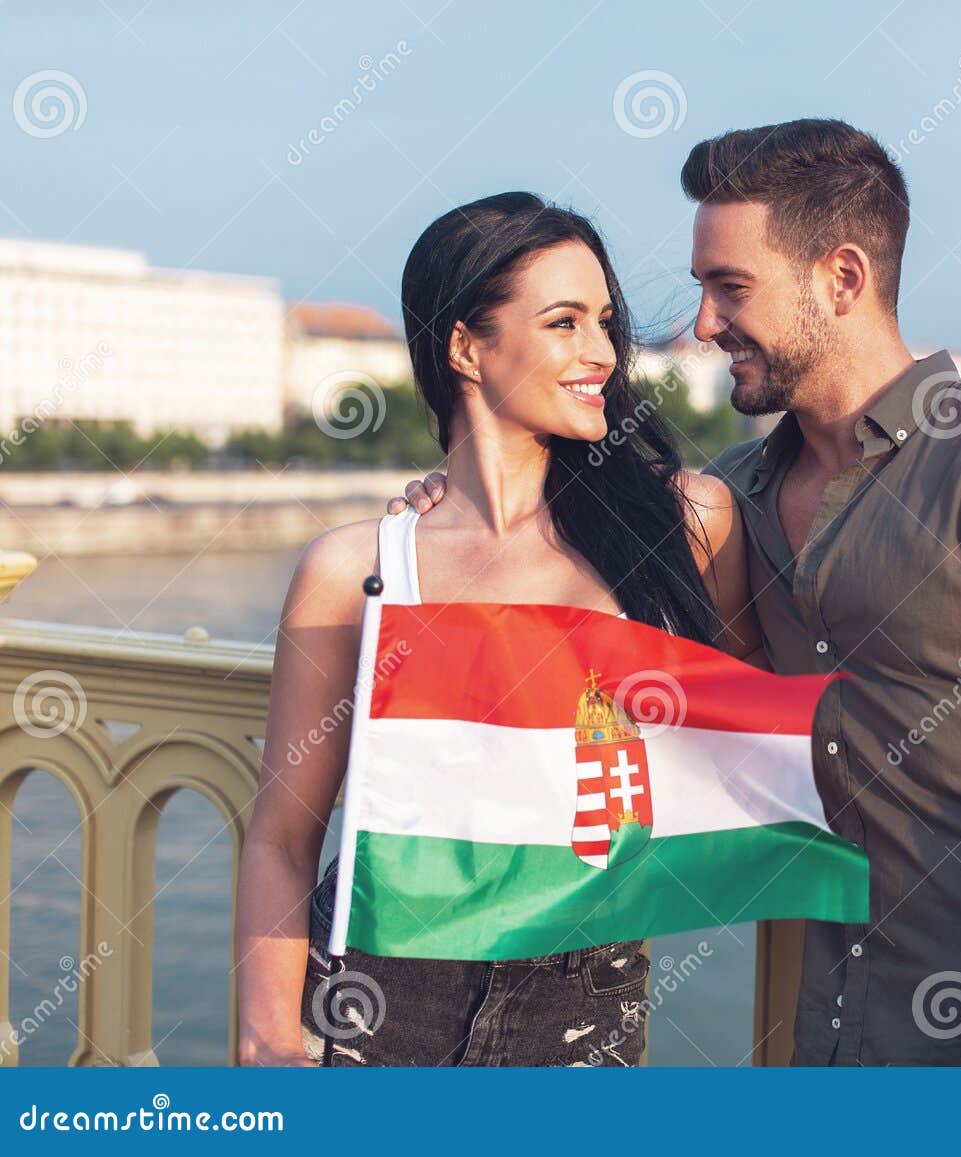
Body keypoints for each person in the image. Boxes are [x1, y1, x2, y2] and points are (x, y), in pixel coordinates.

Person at [394, 119, 961, 1066]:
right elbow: (555, 561)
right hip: (845, 1034)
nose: (701, 325)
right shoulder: (729, 500)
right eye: (701, 289)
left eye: (730, 288)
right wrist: (446, 498)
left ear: (842, 279)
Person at [234, 192, 760, 1066]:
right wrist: (265, 1039)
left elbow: (748, 733)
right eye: (564, 322)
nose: (601, 352)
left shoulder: (684, 526)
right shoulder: (356, 568)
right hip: (369, 1002)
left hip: (578, 1007)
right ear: (465, 346)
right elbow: (282, 838)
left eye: (605, 320)